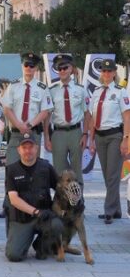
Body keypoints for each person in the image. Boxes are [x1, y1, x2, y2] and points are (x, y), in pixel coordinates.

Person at [0, 52, 53, 218]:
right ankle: (8, 206)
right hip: (16, 134)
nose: (29, 68)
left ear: (36, 68)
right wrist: (19, 125)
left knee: (32, 170)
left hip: (33, 134)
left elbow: (45, 111)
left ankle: (30, 205)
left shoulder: (42, 89)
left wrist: (29, 124)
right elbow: (6, 108)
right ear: (22, 66)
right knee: (11, 168)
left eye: (32, 66)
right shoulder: (13, 87)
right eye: (26, 65)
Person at [87, 58, 130, 224]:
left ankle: (109, 211)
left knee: (112, 175)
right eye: (103, 71)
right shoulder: (96, 92)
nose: (106, 74)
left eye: (109, 71)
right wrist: (91, 140)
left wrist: (126, 139)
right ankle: (117, 209)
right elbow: (92, 117)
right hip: (100, 136)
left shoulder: (120, 91)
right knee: (107, 174)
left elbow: (127, 117)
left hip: (115, 136)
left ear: (114, 73)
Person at [4, 133, 59, 262]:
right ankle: (23, 240)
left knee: (57, 224)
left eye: (31, 147)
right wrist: (35, 212)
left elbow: (60, 189)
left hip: (44, 217)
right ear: (19, 150)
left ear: (37, 149)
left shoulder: (46, 167)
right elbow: (14, 199)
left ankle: (41, 246)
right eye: (24, 148)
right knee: (14, 255)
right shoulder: (12, 170)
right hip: (22, 219)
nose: (28, 151)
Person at [44, 54, 88, 186]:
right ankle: (62, 203)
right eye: (59, 68)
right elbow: (47, 116)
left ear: (71, 69)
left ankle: (78, 202)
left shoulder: (80, 90)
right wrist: (47, 137)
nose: (62, 71)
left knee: (76, 170)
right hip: (58, 133)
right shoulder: (51, 90)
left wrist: (85, 134)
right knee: (59, 171)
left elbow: (87, 114)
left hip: (75, 132)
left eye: (65, 67)